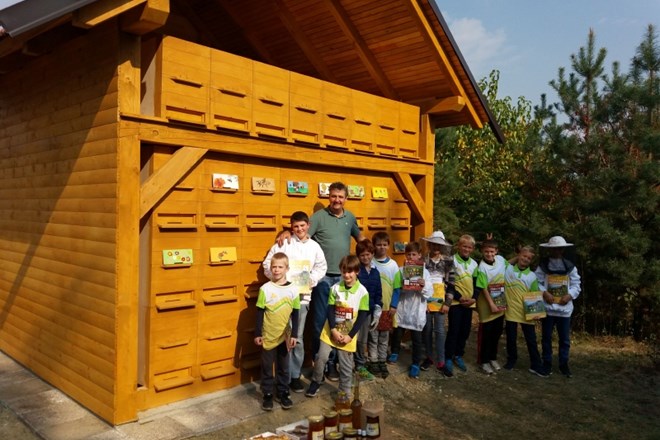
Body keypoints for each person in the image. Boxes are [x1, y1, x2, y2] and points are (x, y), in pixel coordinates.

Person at [277, 181, 365, 381]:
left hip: (344, 277)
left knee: (341, 320)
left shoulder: (349, 217)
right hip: (323, 278)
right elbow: (302, 234)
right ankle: (320, 363)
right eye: (334, 196)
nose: (337, 200)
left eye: (340, 197)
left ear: (346, 198)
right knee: (320, 321)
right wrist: (286, 233)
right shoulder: (318, 217)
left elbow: (359, 237)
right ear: (329, 196)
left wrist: (370, 255)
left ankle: (333, 363)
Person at [262, 211, 327, 393]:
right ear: (291, 227)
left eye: (302, 226)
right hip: (280, 299)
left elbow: (322, 267)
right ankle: (281, 376)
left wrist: (311, 280)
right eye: (295, 226)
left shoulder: (314, 246)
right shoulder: (284, 242)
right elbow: (268, 264)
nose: (299, 229)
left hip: (302, 298)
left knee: (296, 337)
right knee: (280, 335)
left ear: (308, 225)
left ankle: (294, 375)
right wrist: (279, 280)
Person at [305, 255, 370, 398]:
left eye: (350, 272)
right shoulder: (335, 288)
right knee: (321, 357)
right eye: (344, 271)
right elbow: (330, 309)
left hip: (348, 335)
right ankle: (316, 382)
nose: (346, 275)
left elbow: (362, 316)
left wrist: (350, 336)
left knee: (346, 366)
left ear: (357, 272)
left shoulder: (363, 292)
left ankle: (344, 392)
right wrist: (333, 329)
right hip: (330, 331)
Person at [254, 253, 300, 411]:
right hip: (268, 335)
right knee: (267, 366)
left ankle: (283, 392)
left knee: (284, 366)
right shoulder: (265, 289)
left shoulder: (293, 289)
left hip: (284, 336)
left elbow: (296, 313)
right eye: (274, 266)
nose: (277, 270)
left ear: (287, 268)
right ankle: (267, 394)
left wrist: (294, 335)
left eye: (280, 267)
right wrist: (257, 334)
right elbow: (259, 312)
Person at [535, 236, 581, 378]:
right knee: (546, 338)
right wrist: (544, 292)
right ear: (549, 249)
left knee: (564, 339)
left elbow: (576, 284)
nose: (557, 251)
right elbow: (536, 281)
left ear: (563, 250)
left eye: (559, 248)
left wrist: (570, 295)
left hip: (564, 309)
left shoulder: (570, 266)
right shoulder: (543, 265)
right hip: (548, 308)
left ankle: (563, 364)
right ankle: (547, 363)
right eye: (554, 248)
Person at [388, 241, 433, 379]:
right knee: (398, 332)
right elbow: (395, 289)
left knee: (416, 339)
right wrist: (402, 285)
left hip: (417, 309)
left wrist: (423, 286)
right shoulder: (401, 270)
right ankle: (395, 352)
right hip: (403, 307)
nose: (411, 257)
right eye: (409, 254)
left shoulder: (424, 272)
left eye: (414, 254)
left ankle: (415, 363)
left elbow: (429, 292)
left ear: (420, 255)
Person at [503, 245, 547, 377]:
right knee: (511, 338)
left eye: (529, 258)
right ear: (519, 255)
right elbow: (502, 262)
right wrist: (517, 256)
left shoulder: (532, 276)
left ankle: (536, 365)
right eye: (524, 256)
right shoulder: (508, 269)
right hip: (511, 311)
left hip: (527, 312)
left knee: (531, 340)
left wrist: (536, 313)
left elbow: (534, 294)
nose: (526, 259)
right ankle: (512, 360)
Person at [367, 231, 403, 379]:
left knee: (384, 337)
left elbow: (397, 288)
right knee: (373, 336)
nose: (381, 247)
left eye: (384, 244)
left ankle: (382, 361)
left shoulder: (393, 265)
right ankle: (373, 361)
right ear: (374, 246)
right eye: (378, 245)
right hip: (373, 307)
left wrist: (394, 305)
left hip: (387, 308)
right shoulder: (370, 263)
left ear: (388, 246)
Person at [443, 234, 478, 377]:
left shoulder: (475, 264)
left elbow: (477, 284)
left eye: (469, 247)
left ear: (473, 249)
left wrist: (474, 299)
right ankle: (448, 357)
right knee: (454, 330)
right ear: (458, 246)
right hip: (456, 302)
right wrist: (459, 297)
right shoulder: (451, 260)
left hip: (468, 303)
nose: (466, 249)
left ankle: (458, 354)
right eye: (464, 246)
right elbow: (446, 282)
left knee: (465, 331)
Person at [420, 231, 455, 372]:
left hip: (441, 300)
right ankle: (429, 357)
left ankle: (441, 360)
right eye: (434, 244)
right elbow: (418, 282)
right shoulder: (423, 260)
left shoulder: (448, 261)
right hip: (425, 299)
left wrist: (447, 303)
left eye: (439, 245)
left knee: (440, 330)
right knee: (427, 329)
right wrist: (423, 302)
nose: (436, 247)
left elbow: (452, 284)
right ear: (429, 244)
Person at [475, 239, 508, 374]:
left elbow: (509, 264)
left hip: (500, 301)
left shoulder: (500, 260)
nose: (489, 254)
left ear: (496, 252)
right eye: (486, 252)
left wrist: (519, 255)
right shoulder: (481, 267)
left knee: (497, 332)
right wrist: (492, 305)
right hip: (487, 304)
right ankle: (483, 361)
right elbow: (483, 288)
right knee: (486, 334)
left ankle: (492, 357)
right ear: (482, 252)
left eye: (492, 251)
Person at [355, 239, 382, 381]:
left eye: (368, 254)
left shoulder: (375, 273)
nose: (366, 257)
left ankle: (360, 366)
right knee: (353, 339)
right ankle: (350, 365)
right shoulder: (356, 271)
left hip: (368, 312)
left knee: (363, 340)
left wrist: (377, 310)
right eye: (362, 255)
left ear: (372, 254)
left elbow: (378, 293)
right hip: (355, 311)